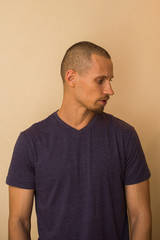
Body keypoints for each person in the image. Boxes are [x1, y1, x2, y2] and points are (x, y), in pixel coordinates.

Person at [6, 41, 152, 240]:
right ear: (71, 78)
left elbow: (140, 216)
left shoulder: (125, 136)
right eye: (100, 80)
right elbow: (18, 222)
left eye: (110, 80)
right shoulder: (31, 142)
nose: (110, 90)